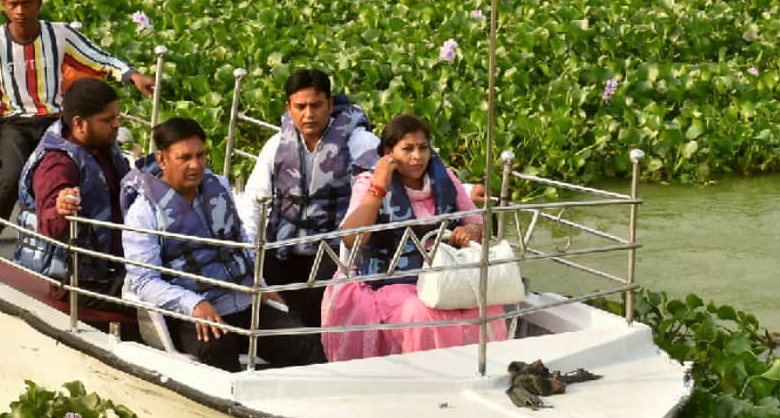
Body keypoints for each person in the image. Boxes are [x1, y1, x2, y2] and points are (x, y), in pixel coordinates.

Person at [0, 0, 156, 253]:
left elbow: (98, 58)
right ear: (3, 6)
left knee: (95, 165)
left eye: (26, 3)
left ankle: (112, 241)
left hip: (54, 120)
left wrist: (131, 74)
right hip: (14, 123)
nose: (20, 11)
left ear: (38, 3)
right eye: (13, 4)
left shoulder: (59, 34)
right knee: (12, 179)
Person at [121, 117, 325, 372]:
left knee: (303, 341)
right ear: (162, 160)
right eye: (185, 158)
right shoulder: (143, 212)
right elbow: (143, 281)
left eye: (201, 155)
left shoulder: (219, 187)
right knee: (218, 349)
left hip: (240, 299)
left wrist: (260, 284)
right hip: (190, 312)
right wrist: (193, 304)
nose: (196, 165)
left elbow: (240, 242)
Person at [321, 114, 510, 361]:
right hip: (393, 282)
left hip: (446, 275)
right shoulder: (368, 181)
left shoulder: (445, 178)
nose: (417, 157)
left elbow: (476, 222)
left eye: (423, 148)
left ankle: (484, 368)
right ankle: (426, 374)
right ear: (389, 152)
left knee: (489, 307)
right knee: (420, 312)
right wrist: (379, 186)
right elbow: (351, 240)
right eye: (407, 149)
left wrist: (470, 231)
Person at [238, 69, 379, 327]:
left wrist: (466, 188)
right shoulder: (276, 145)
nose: (309, 114)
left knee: (321, 300)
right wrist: (251, 257)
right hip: (284, 247)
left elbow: (398, 172)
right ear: (288, 107)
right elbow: (252, 202)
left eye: (316, 105)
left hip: (335, 250)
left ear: (331, 104)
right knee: (253, 282)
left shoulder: (360, 141)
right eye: (300, 106)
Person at [13, 78, 130, 308]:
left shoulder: (101, 146)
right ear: (79, 123)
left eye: (117, 117)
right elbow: (48, 226)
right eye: (108, 120)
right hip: (75, 282)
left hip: (111, 267)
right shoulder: (58, 164)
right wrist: (61, 209)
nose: (116, 125)